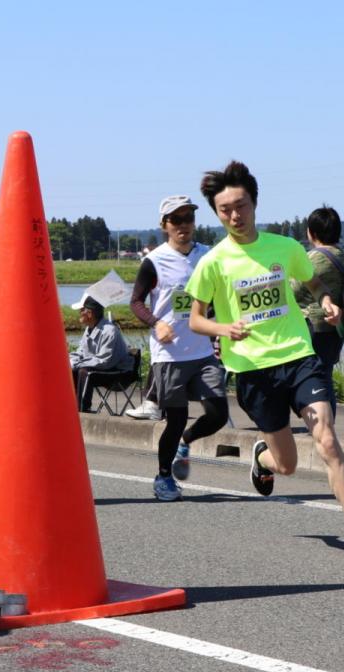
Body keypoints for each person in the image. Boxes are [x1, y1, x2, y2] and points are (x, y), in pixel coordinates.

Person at [185, 161, 344, 564]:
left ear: (254, 204)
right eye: (225, 210)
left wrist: (327, 301)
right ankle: (262, 459)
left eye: (241, 206)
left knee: (327, 439)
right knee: (286, 465)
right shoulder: (213, 262)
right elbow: (196, 319)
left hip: (298, 355)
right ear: (217, 213)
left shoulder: (285, 248)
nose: (235, 216)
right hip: (253, 371)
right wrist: (223, 328)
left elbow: (313, 282)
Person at [130, 195, 229, 501]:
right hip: (169, 354)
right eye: (176, 219)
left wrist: (221, 328)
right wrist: (156, 322)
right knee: (175, 419)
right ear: (164, 225)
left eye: (188, 218)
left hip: (202, 352)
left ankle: (186, 441)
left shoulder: (207, 255)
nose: (183, 225)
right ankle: (163, 477)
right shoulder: (154, 261)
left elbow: (221, 294)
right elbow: (136, 302)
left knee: (218, 413)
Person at [292, 206, 344, 413]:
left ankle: (322, 422)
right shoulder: (342, 255)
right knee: (325, 376)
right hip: (336, 326)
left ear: (311, 232)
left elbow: (294, 290)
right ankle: (327, 421)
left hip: (314, 326)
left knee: (314, 378)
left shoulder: (314, 258)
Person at [69, 296, 132, 412]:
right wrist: (68, 360)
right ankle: (70, 407)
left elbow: (104, 361)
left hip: (119, 372)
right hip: (102, 368)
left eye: (81, 310)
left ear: (89, 313)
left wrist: (77, 364)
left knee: (84, 372)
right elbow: (81, 352)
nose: (79, 313)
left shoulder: (109, 331)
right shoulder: (89, 329)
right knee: (71, 370)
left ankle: (82, 410)